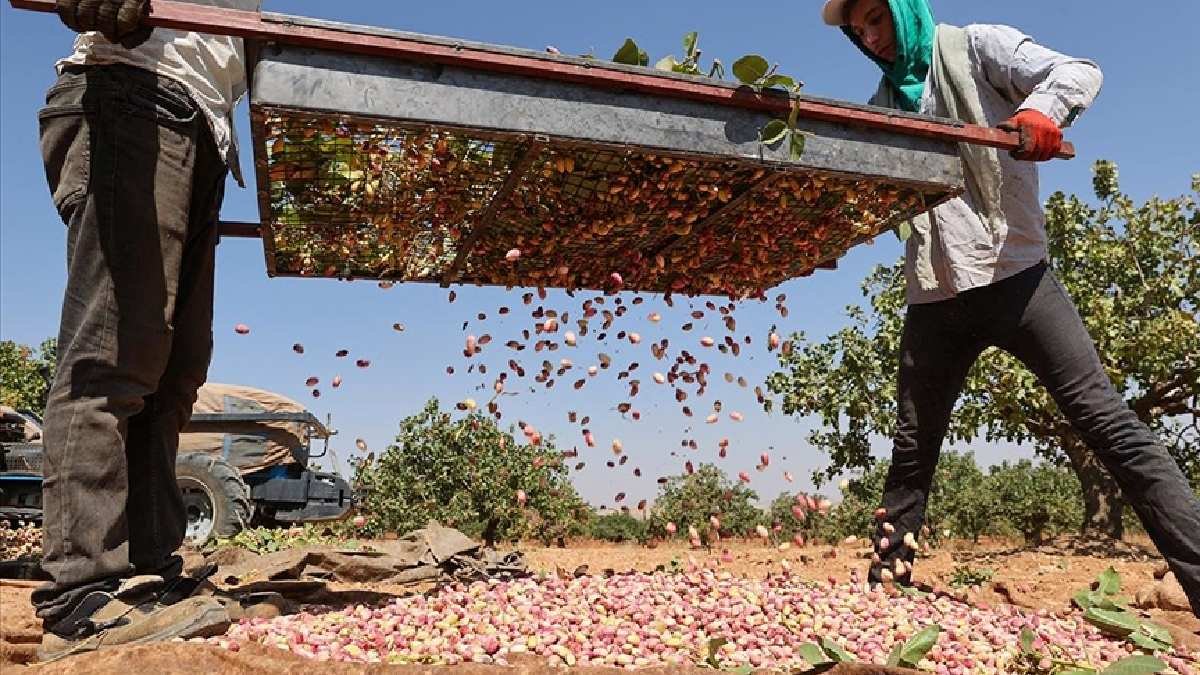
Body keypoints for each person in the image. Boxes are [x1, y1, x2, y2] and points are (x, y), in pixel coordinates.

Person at [821, 0, 1200, 617]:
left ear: (904, 8)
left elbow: (1078, 71)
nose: (870, 37)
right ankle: (887, 589)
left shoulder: (976, 48)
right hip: (934, 297)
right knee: (912, 449)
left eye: (876, 18)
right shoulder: (883, 108)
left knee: (1108, 424)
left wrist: (1041, 111)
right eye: (858, 30)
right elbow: (865, 192)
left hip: (1016, 279)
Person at [33, 0, 259, 660]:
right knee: (113, 351)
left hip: (202, 125)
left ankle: (147, 568)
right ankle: (80, 592)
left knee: (175, 369)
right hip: (134, 89)